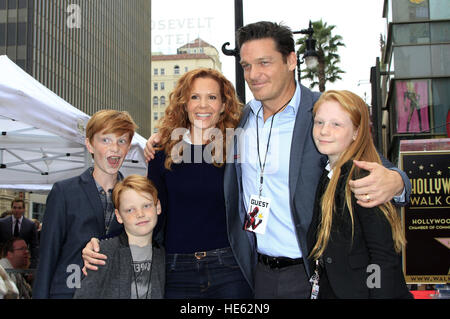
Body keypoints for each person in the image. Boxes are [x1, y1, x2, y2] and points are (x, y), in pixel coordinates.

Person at [82, 68, 253, 299]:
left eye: (212, 97)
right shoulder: (163, 152)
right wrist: (101, 243)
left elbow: (256, 199)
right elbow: (148, 211)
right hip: (176, 270)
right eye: (195, 97)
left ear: (223, 105)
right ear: (184, 104)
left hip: (230, 269)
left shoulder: (237, 149)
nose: (203, 105)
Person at [307, 90, 412, 299]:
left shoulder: (362, 177)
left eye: (336, 124)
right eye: (319, 122)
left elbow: (383, 258)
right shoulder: (328, 173)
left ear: (356, 131)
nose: (324, 131)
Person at [32, 110, 137, 298]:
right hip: (69, 292)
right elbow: (47, 257)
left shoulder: (135, 198)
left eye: (121, 141)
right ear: (90, 145)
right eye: (105, 140)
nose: (114, 148)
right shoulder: (64, 193)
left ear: (128, 147)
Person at [73, 175, 165, 299]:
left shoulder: (163, 255)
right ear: (119, 216)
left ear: (157, 207)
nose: (140, 214)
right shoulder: (102, 253)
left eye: (146, 206)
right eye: (130, 210)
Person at [0, 199, 39, 268]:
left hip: (22, 262)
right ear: (11, 208)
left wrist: (33, 265)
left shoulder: (30, 225)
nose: (17, 210)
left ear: (24, 209)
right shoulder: (2, 223)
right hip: (5, 260)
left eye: (19, 208)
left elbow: (34, 247)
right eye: (14, 208)